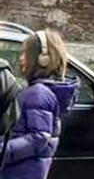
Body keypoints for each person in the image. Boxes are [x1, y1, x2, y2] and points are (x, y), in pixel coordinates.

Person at [1, 30, 77, 179]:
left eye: (26, 54)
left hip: (19, 172)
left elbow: (39, 137)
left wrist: (3, 149)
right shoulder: (43, 91)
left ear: (43, 59)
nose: (21, 59)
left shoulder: (38, 93)